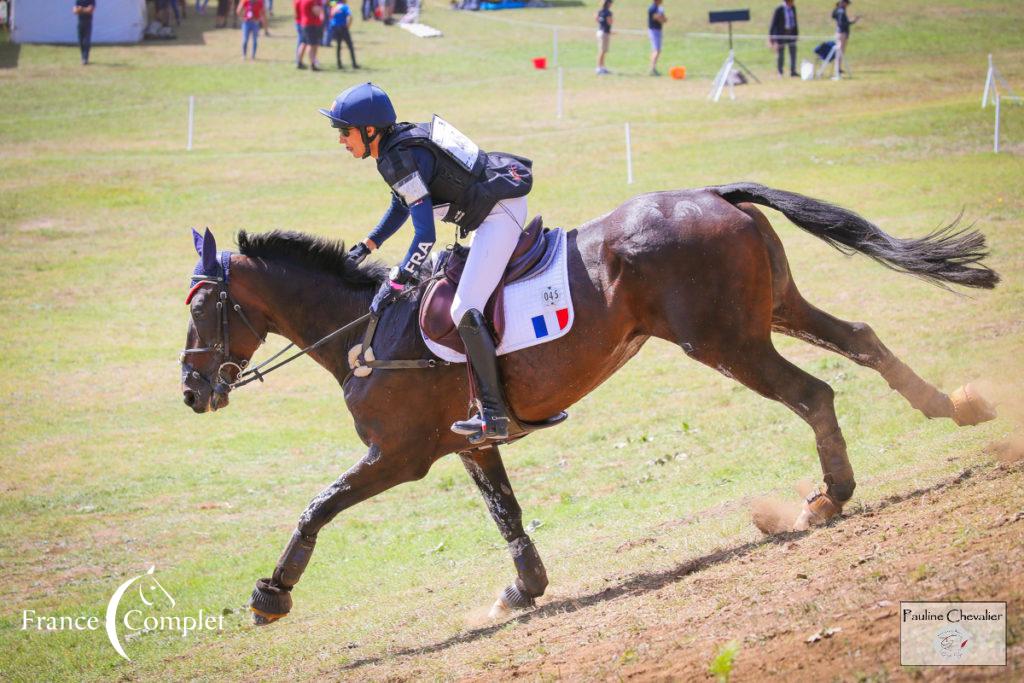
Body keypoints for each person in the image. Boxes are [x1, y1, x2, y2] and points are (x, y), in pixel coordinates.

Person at [319, 83, 538, 442]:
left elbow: (425, 237)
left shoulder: (396, 156)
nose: (341, 139)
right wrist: (369, 244)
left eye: (345, 131)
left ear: (369, 130)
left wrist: (397, 281)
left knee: (464, 307)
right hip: (493, 204)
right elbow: (404, 201)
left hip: (499, 214)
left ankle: (495, 415)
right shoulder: (394, 146)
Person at [769, 0, 799, 78]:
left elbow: (795, 21)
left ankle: (793, 71)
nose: (793, 2)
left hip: (791, 33)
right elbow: (773, 23)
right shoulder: (779, 9)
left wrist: (796, 34)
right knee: (781, 55)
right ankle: (780, 72)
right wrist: (771, 37)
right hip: (781, 34)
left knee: (793, 53)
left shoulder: (793, 8)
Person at [328, 0, 359, 69]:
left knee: (338, 46)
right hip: (343, 28)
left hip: (335, 28)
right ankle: (354, 63)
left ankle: (339, 64)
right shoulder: (345, 7)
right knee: (350, 46)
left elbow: (331, 15)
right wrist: (348, 26)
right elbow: (350, 17)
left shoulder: (334, 6)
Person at [832, 0, 858, 76]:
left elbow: (833, 16)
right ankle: (837, 69)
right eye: (846, 3)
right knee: (840, 51)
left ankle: (838, 68)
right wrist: (852, 21)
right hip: (842, 33)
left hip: (839, 32)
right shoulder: (841, 11)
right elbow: (842, 23)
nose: (847, 5)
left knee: (840, 52)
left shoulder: (838, 10)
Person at [297, 0, 324, 70]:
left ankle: (299, 62)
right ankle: (313, 64)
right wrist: (321, 10)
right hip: (311, 24)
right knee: (312, 45)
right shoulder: (312, 1)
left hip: (304, 23)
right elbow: (317, 12)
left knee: (303, 43)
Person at [72, 0, 96, 65]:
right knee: (80, 41)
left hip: (88, 23)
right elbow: (74, 11)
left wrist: (81, 9)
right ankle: (83, 57)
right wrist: (84, 9)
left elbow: (91, 10)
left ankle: (85, 59)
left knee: (86, 41)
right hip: (80, 23)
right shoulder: (78, 0)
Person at [647, 0, 666, 76]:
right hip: (654, 30)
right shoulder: (652, 8)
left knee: (657, 50)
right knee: (656, 50)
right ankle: (652, 69)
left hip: (658, 30)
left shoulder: (659, 8)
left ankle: (653, 68)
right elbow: (658, 18)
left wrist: (662, 18)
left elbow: (663, 19)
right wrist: (661, 17)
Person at [595, 0, 612, 75]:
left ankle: (602, 67)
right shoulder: (608, 12)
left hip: (599, 31)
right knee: (602, 51)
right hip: (604, 33)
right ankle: (598, 68)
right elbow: (610, 22)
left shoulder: (600, 11)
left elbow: (596, 19)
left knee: (603, 51)